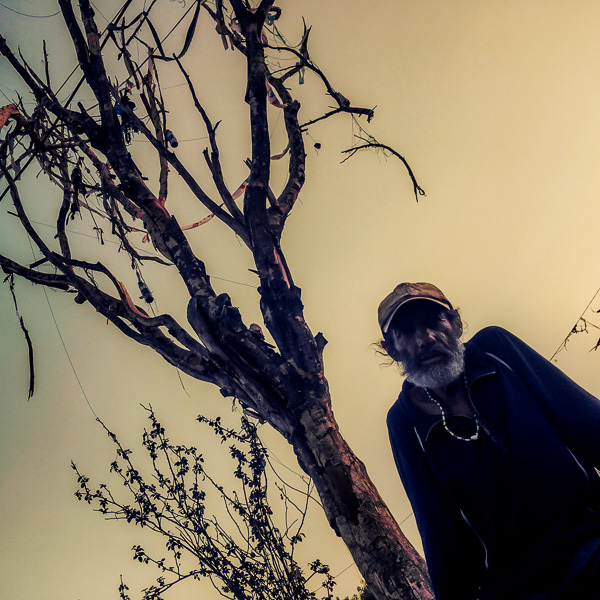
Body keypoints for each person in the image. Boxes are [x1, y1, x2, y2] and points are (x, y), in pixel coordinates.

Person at [378, 282, 600, 600]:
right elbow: (439, 533)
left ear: (454, 324)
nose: (425, 339)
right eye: (406, 331)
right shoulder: (405, 423)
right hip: (517, 585)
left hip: (589, 539)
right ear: (392, 349)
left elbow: (585, 420)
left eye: (433, 322)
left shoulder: (495, 350)